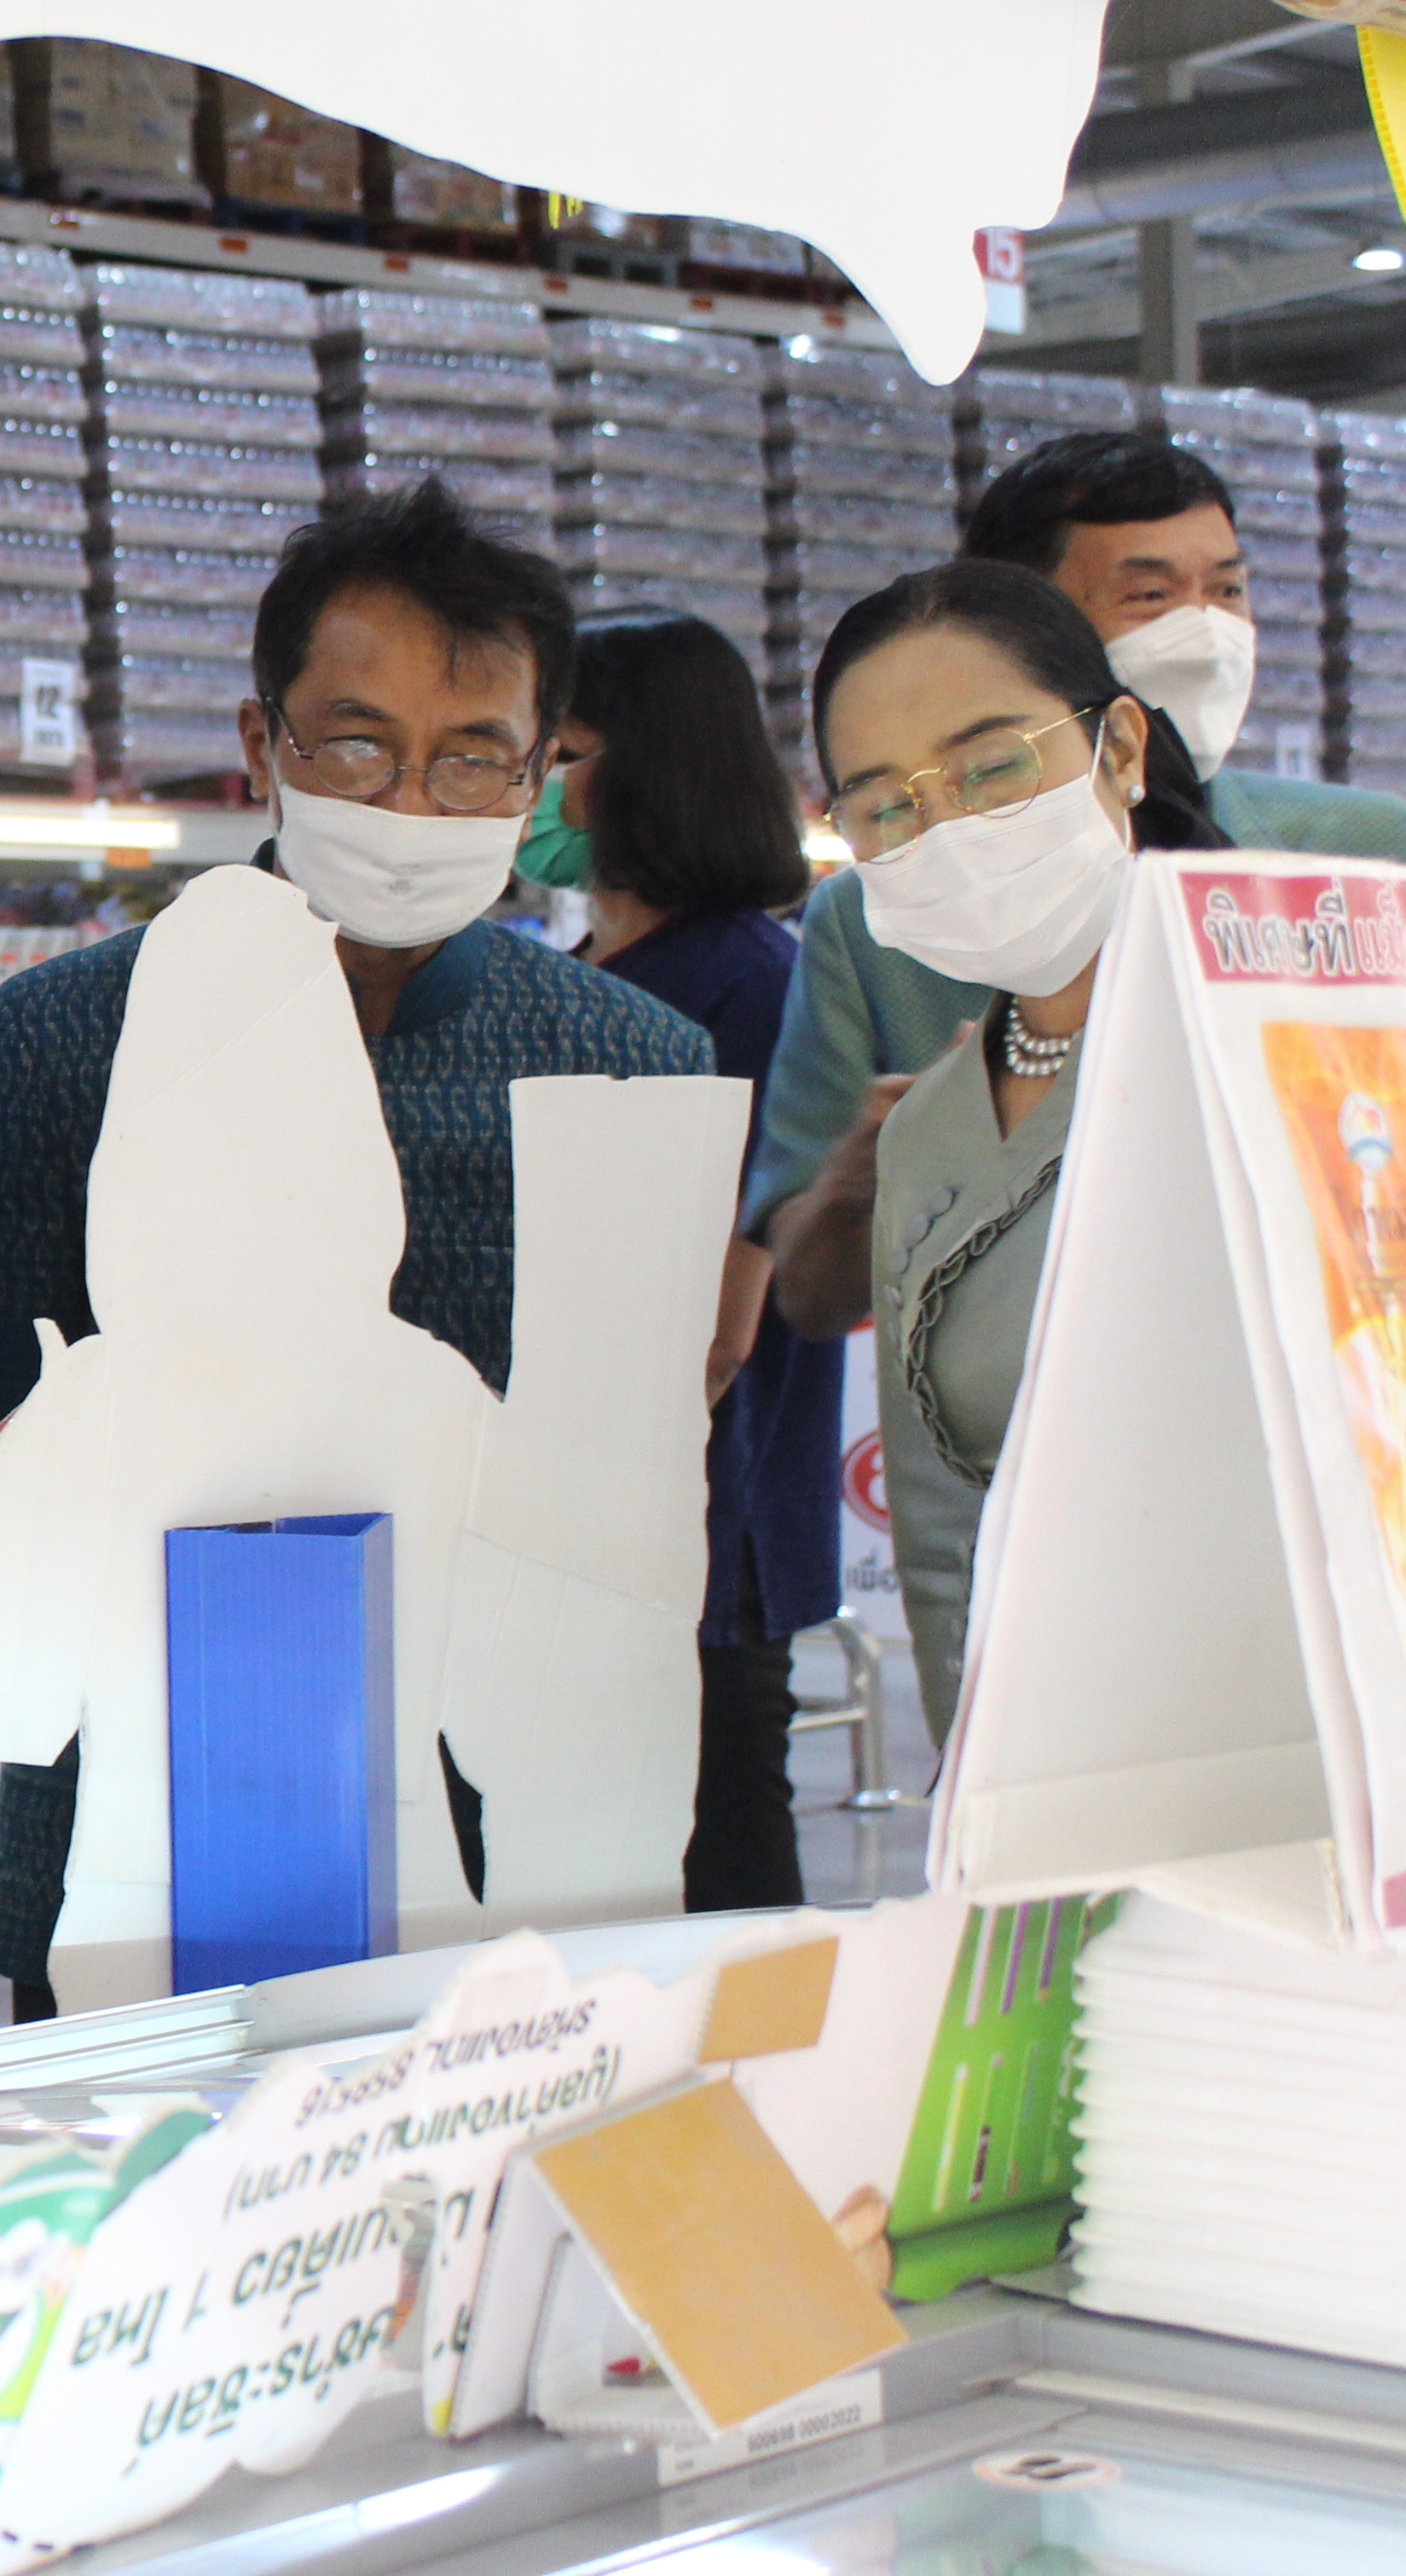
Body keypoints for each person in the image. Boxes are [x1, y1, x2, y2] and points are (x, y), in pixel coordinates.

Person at [0, 482, 712, 2021]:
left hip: (500, 1832)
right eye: (352, 743)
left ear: (541, 770)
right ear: (258, 740)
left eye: (469, 754)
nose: (406, 801)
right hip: (131, 1817)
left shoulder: (630, 1066)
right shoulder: (59, 1037)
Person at [750, 433, 1406, 1344]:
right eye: (1152, 595)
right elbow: (808, 1289)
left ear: (1120, 745)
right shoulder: (876, 921)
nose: (1205, 631)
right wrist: (889, 1167)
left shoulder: (1389, 864)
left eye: (1228, 591)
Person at [777, 564, 1224, 1740]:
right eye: (887, 807)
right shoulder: (928, 1128)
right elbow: (935, 1536)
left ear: (1121, 750)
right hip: (1042, 1761)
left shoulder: (1269, 1054)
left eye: (992, 769)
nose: (950, 831)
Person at [518, 611, 840, 1913]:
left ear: (654, 766)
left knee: (716, 1855)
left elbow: (724, 1312)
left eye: (563, 746)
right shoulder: (583, 963)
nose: (534, 775)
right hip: (582, 1518)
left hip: (697, 1516)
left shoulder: (751, 983)